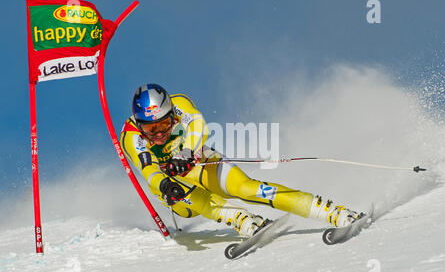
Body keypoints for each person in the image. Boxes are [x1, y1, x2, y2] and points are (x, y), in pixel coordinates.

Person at [120, 83, 363, 237]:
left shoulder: (179, 104)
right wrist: (165, 185)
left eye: (163, 124)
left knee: (246, 188)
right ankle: (240, 219)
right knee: (181, 193)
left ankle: (330, 211)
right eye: (151, 130)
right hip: (175, 189)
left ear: (171, 113)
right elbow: (149, 170)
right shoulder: (131, 137)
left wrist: (185, 154)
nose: (160, 133)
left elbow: (197, 126)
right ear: (141, 126)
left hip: (198, 161)